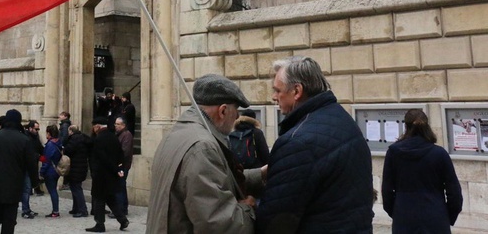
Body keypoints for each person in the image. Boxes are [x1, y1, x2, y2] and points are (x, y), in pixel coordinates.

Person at [256, 56, 374, 233]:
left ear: (297, 91)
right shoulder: (341, 118)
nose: (274, 97)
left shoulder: (297, 141)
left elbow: (276, 220)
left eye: (277, 90)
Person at [147, 74, 263, 233]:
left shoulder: (178, 133)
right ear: (222, 111)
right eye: (235, 111)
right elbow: (218, 225)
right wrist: (248, 209)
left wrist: (260, 174)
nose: (237, 118)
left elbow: (216, 179)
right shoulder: (203, 148)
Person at [382, 108, 462, 233]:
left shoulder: (393, 153)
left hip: (403, 217)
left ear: (406, 126)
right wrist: (447, 216)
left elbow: (386, 191)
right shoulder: (439, 153)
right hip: (435, 216)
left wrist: (397, 213)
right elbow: (454, 193)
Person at [0, 109, 39, 234]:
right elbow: (31, 163)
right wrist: (35, 182)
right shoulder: (24, 139)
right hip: (14, 184)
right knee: (9, 219)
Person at [86, 116, 128, 232]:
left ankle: (100, 224)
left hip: (101, 175)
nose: (93, 129)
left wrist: (114, 169)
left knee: (99, 200)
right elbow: (121, 154)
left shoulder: (99, 139)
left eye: (94, 127)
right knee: (110, 198)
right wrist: (119, 168)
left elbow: (102, 158)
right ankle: (123, 220)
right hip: (111, 175)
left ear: (97, 126)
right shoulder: (113, 137)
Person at [63, 125, 91, 218]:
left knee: (76, 188)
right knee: (75, 187)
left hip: (76, 167)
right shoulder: (84, 138)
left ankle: (83, 210)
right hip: (82, 166)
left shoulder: (74, 139)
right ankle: (76, 208)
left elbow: (68, 150)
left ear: (71, 131)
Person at [39, 124, 62, 218]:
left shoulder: (50, 144)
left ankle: (55, 211)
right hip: (56, 169)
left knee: (52, 191)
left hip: (50, 170)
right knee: (54, 190)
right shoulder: (58, 142)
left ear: (49, 133)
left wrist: (41, 172)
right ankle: (55, 210)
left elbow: (46, 160)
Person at [113, 116, 133, 217]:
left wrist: (116, 159)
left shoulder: (126, 135)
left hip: (123, 165)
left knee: (119, 187)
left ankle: (120, 210)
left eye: (118, 124)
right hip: (119, 164)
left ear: (123, 125)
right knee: (121, 186)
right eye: (115, 124)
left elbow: (125, 151)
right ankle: (122, 208)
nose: (116, 126)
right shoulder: (119, 134)